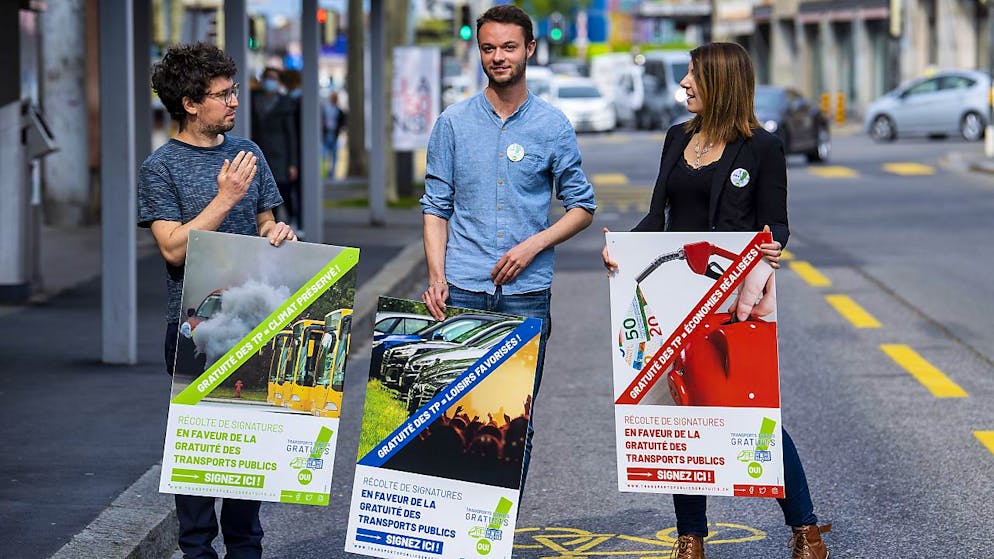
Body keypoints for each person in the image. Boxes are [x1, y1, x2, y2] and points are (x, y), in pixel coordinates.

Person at [601, 42, 830, 559]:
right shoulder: (675, 138)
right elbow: (657, 220)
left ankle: (806, 530)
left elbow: (778, 221)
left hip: (733, 301)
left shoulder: (762, 148)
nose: (683, 84)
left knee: (751, 416)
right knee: (682, 416)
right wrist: (620, 251)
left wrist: (774, 245)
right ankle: (691, 538)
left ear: (721, 84)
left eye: (693, 76)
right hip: (672, 299)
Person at [420, 4, 597, 496]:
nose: (498, 57)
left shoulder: (552, 126)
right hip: (463, 291)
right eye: (489, 48)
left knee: (510, 426)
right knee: (452, 419)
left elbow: (582, 206)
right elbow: (435, 206)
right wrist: (437, 276)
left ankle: (491, 534)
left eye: (509, 47)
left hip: (525, 297)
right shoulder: (452, 123)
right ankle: (452, 529)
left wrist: (533, 245)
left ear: (530, 50)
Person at [137, 42, 295, 559]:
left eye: (232, 92)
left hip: (255, 319)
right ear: (189, 103)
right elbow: (172, 248)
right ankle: (198, 550)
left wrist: (279, 233)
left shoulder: (248, 153)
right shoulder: (160, 168)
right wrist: (223, 197)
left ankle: (247, 548)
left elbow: (267, 221)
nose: (233, 102)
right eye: (222, 95)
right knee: (199, 447)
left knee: (252, 444)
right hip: (194, 327)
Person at [251, 67, 299, 227]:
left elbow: (291, 135)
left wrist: (292, 163)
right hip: (260, 153)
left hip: (280, 156)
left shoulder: (285, 104)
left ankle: (287, 222)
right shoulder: (254, 100)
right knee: (262, 195)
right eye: (268, 78)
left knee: (282, 192)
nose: (270, 82)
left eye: (274, 78)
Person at [321, 90, 347, 179]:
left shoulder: (339, 110)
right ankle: (324, 173)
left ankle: (332, 174)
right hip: (325, 134)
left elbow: (342, 122)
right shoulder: (325, 108)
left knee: (334, 156)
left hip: (334, 135)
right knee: (323, 155)